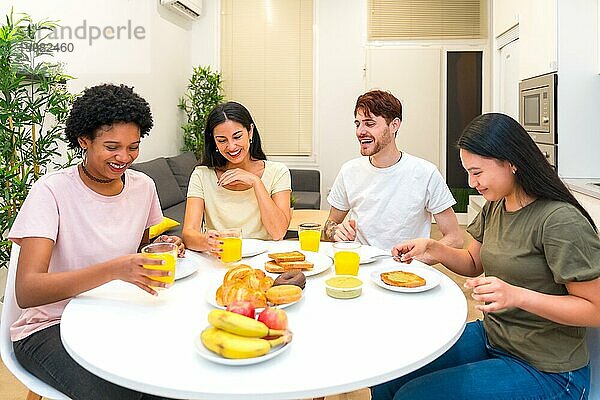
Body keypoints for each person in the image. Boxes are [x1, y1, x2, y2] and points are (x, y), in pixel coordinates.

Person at [372, 113, 600, 400]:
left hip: (550, 371)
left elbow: (595, 309)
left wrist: (517, 296)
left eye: (477, 172)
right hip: (496, 336)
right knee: (389, 373)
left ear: (512, 162)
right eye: (468, 172)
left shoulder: (558, 220)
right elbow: (473, 262)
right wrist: (434, 248)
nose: (471, 182)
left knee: (414, 396)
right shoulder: (497, 204)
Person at [8, 83, 183, 400]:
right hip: (50, 327)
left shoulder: (142, 186)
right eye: (112, 146)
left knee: (174, 380)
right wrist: (116, 269)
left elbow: (140, 251)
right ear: (84, 140)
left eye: (133, 146)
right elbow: (27, 290)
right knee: (124, 395)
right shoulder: (52, 191)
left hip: (113, 315)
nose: (124, 157)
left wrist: (165, 248)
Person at [324, 89, 463, 262]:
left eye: (369, 123)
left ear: (394, 125)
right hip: (359, 267)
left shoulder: (426, 173)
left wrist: (419, 258)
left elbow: (455, 239)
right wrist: (335, 232)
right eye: (357, 124)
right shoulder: (348, 171)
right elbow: (329, 225)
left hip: (406, 272)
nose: (360, 131)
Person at [182, 101, 291, 257]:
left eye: (237, 136)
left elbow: (278, 233)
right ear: (213, 141)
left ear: (250, 132)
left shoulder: (277, 172)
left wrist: (256, 182)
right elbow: (188, 234)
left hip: (263, 259)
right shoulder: (201, 175)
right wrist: (208, 242)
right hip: (220, 258)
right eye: (222, 140)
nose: (231, 146)